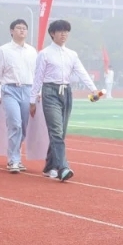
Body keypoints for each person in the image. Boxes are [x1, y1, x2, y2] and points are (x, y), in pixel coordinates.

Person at [30, 19, 103, 182]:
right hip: (50, 92)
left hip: (67, 92)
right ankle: (63, 167)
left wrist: (93, 90)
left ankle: (49, 166)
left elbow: (82, 72)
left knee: (60, 133)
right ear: (52, 34)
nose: (64, 34)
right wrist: (32, 100)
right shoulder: (44, 54)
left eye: (66, 31)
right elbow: (38, 78)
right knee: (56, 131)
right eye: (60, 31)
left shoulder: (72, 54)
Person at [0, 18, 37, 173]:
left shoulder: (32, 51)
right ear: (11, 31)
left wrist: (37, 93)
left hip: (28, 90)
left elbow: (36, 74)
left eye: (24, 28)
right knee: (15, 123)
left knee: (23, 126)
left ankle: (16, 154)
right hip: (10, 90)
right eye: (18, 27)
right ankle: (13, 159)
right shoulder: (3, 50)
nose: (22, 30)